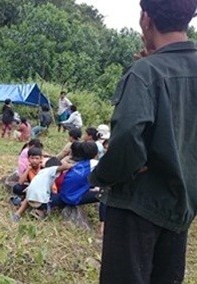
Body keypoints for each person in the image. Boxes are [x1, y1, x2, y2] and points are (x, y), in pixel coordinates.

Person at [89, 1, 197, 283]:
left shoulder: (145, 72)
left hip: (136, 206)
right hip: (180, 208)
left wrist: (101, 175)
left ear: (146, 19)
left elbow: (126, 138)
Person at [12, 157, 72, 221]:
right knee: (60, 197)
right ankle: (39, 212)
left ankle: (17, 214)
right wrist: (73, 165)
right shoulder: (52, 170)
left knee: (34, 194)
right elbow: (65, 167)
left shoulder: (41, 172)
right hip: (41, 203)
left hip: (29, 199)